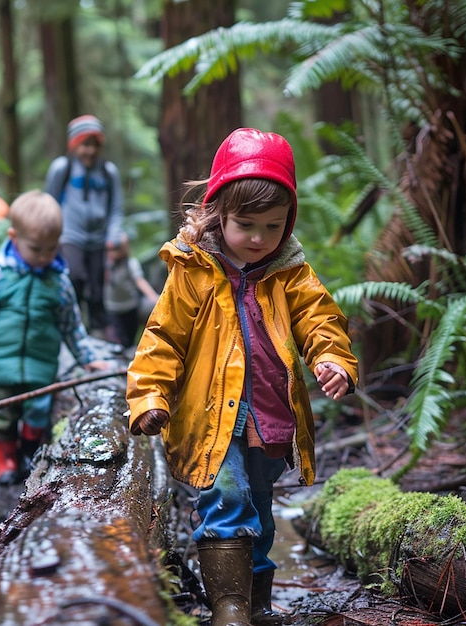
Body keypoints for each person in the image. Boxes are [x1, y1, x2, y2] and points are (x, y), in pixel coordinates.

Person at [126, 128, 359, 626]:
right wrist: (148, 394)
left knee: (260, 508)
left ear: (289, 222)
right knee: (227, 499)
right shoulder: (192, 270)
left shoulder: (291, 272)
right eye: (246, 225)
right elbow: (162, 338)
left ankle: (256, 601)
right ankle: (228, 608)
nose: (258, 239)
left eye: (273, 227)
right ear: (218, 215)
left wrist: (334, 358)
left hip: (269, 417)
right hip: (210, 417)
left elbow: (321, 319)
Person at [0, 190, 108, 486]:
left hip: (41, 364)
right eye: (36, 249)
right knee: (2, 413)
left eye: (52, 248)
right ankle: (5, 461)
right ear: (13, 237)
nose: (45, 256)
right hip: (1, 363)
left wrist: (88, 359)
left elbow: (71, 324)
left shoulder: (58, 280)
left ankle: (29, 447)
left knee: (38, 409)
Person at [44, 114, 124, 335]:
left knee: (98, 291)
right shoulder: (63, 168)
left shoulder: (109, 172)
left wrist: (113, 234)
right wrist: (52, 235)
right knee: (75, 279)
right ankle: (71, 330)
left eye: (94, 145)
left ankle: (97, 334)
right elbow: (48, 202)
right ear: (74, 145)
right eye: (84, 145)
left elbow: (116, 209)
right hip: (70, 235)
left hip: (99, 240)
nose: (89, 151)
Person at [103, 233, 160, 348]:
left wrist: (153, 297)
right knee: (116, 338)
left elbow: (139, 281)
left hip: (130, 306)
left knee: (129, 337)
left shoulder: (130, 263)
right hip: (112, 307)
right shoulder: (107, 264)